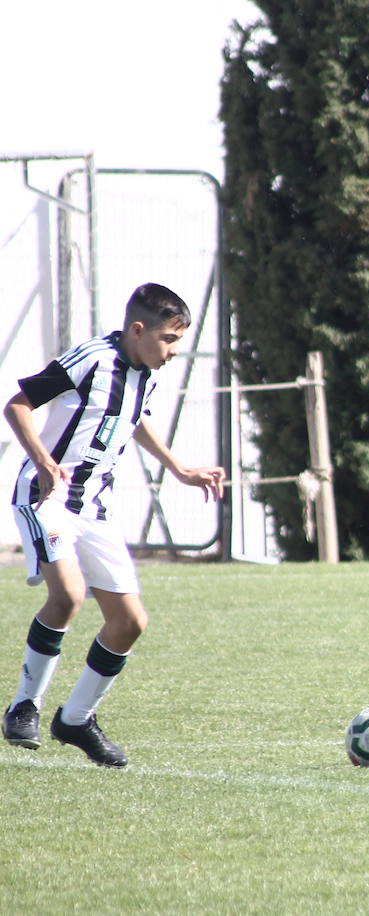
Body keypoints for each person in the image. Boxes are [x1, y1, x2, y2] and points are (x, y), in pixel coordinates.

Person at [2, 283, 225, 766]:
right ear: (138, 329)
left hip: (93, 508)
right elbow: (17, 405)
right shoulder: (90, 358)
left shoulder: (146, 373)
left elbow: (134, 417)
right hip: (49, 497)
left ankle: (77, 719)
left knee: (130, 622)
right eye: (167, 339)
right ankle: (23, 706)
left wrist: (180, 469)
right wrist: (42, 461)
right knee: (69, 596)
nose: (172, 352)